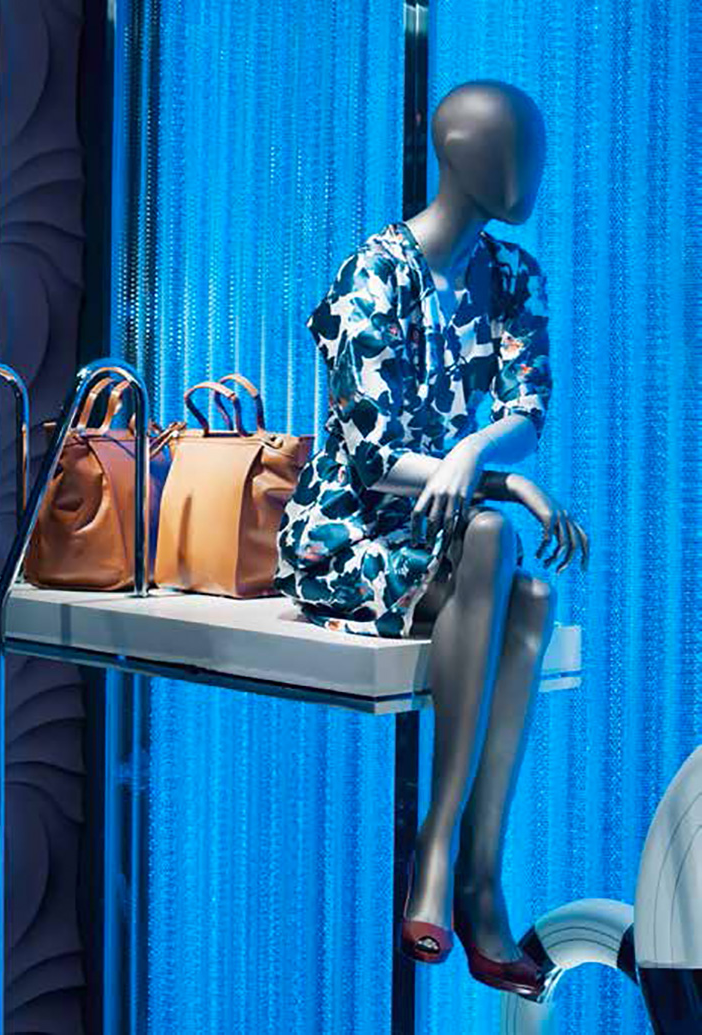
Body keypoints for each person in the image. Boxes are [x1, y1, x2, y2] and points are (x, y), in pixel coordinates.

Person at [274, 80, 589, 999]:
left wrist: (484, 454)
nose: (529, 169)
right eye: (511, 148)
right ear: (458, 153)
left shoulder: (514, 276)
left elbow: (527, 408)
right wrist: (495, 482)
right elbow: (372, 459)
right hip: (350, 536)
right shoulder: (371, 274)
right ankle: (449, 853)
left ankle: (473, 865)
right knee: (493, 538)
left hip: (445, 534)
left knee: (533, 589)